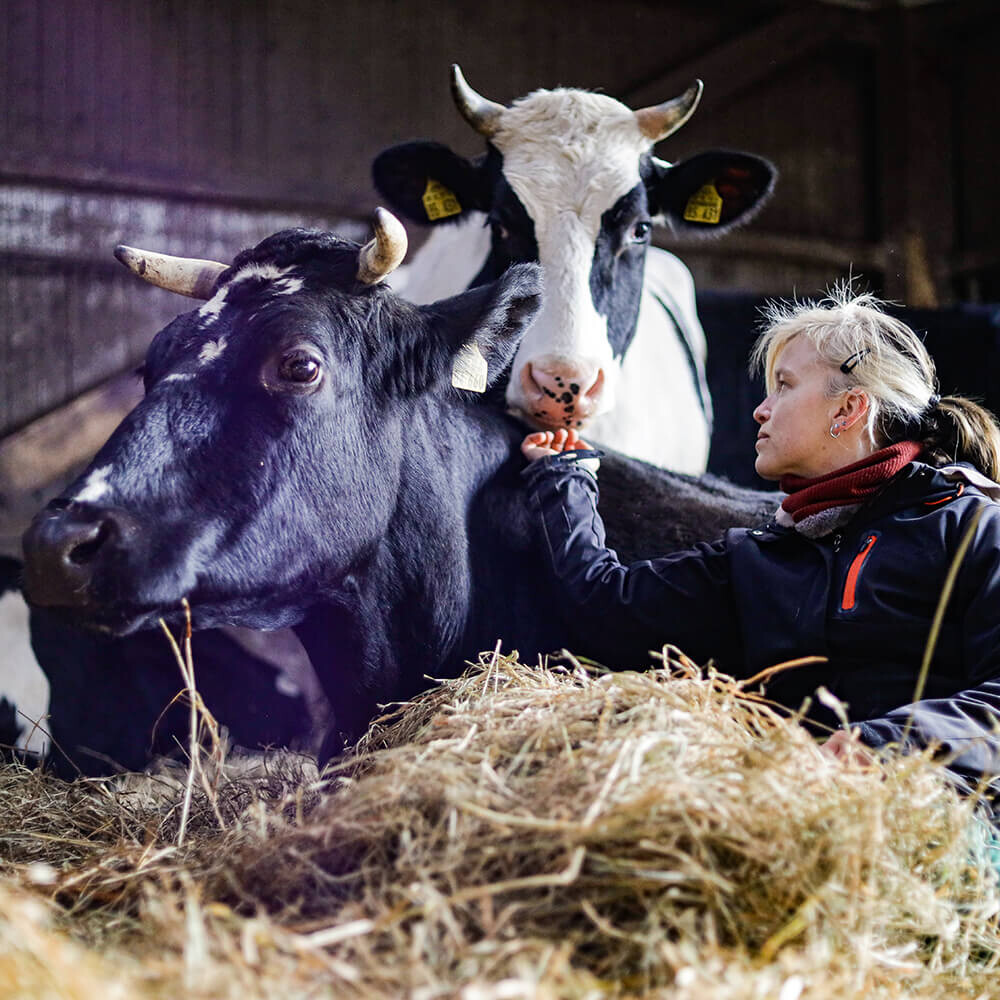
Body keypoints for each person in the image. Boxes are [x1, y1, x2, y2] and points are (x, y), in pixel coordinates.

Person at [520, 288, 1000, 794]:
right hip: (791, 824)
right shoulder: (756, 558)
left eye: (784, 386)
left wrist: (875, 749)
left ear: (849, 409)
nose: (760, 410)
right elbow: (604, 607)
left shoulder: (970, 525)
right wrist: (564, 478)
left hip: (943, 829)